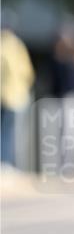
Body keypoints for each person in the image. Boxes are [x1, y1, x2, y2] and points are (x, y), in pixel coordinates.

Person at [0, 24, 35, 168]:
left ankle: (6, 162)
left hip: (6, 96)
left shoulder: (4, 45)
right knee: (12, 133)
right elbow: (28, 72)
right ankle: (8, 162)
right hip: (16, 97)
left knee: (6, 131)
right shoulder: (17, 45)